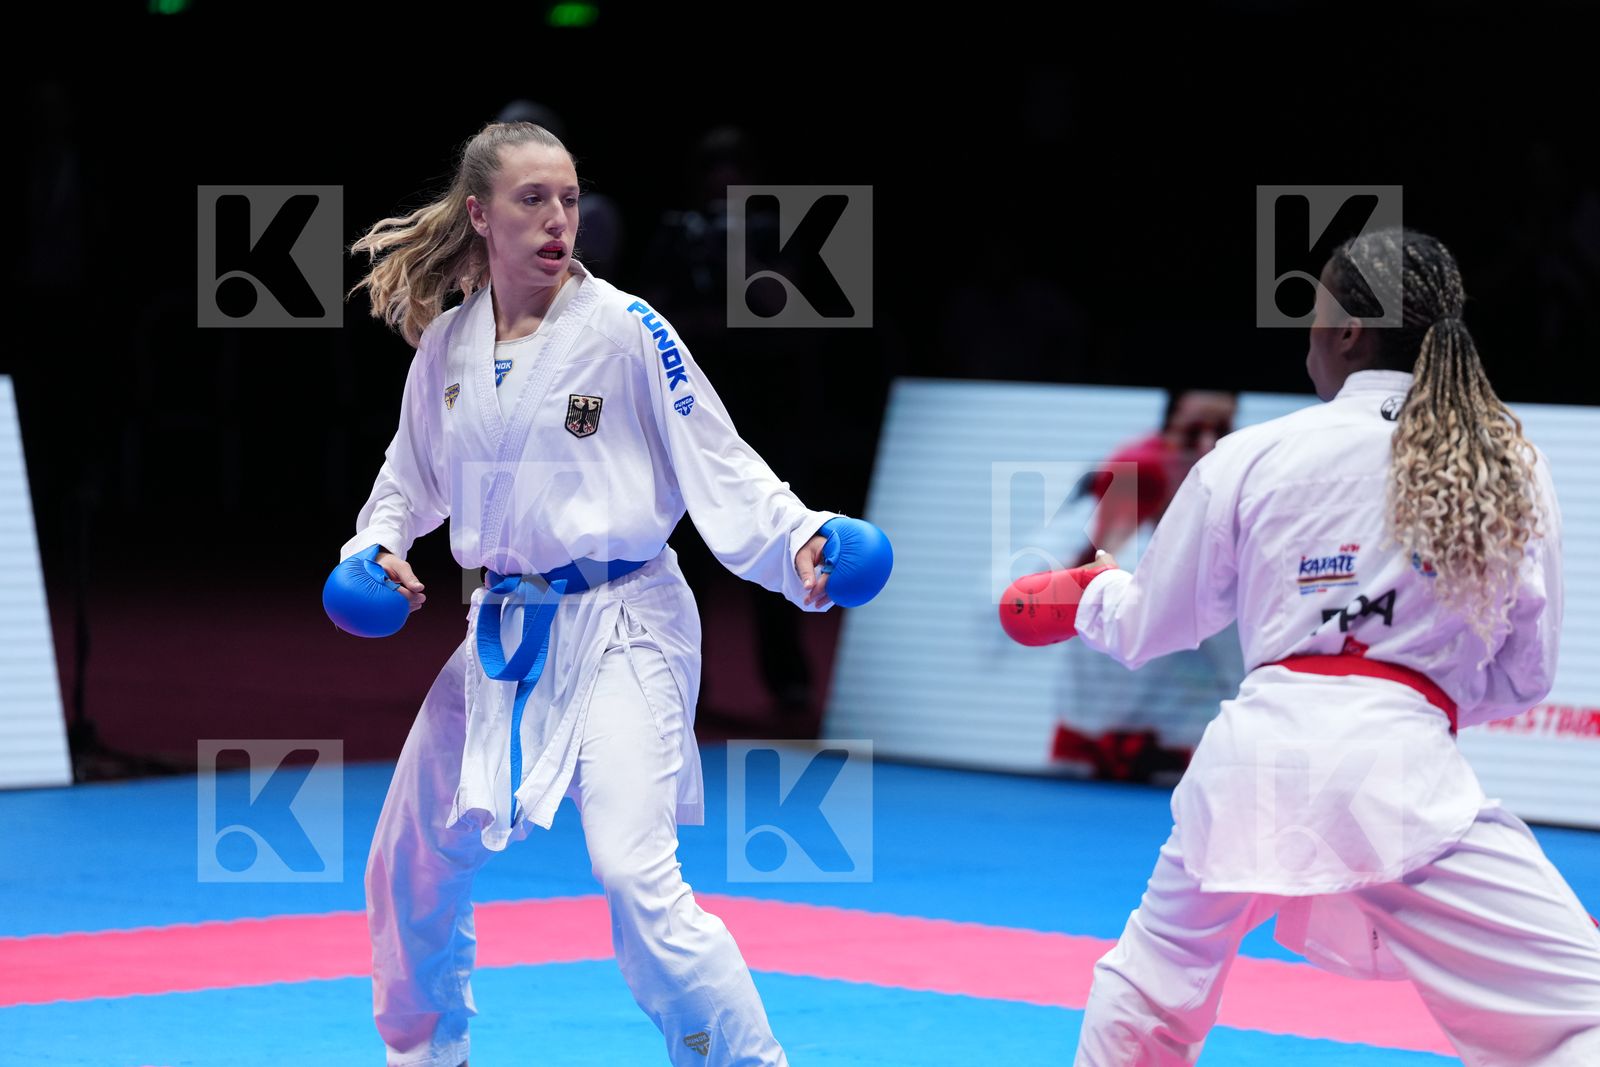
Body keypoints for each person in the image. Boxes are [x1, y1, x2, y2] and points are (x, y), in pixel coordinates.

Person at [1001, 227, 1600, 1064]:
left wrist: (1088, 592)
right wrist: (1417, 684)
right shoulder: (1507, 462)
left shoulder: (1253, 455)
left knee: (1152, 983)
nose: (1306, 336)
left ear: (1349, 332)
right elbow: (1524, 674)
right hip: (1402, 771)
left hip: (1254, 758)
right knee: (1581, 1014)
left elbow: (1148, 626)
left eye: (1314, 314)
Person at [340, 120, 858, 1067]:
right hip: (503, 629)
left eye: (569, 199)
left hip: (627, 622)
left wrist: (802, 539)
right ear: (480, 216)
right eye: (532, 199)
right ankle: (425, 1055)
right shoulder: (448, 346)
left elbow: (722, 461)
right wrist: (375, 545)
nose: (556, 219)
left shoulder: (625, 329)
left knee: (631, 867)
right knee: (405, 859)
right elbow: (406, 479)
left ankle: (745, 1060)